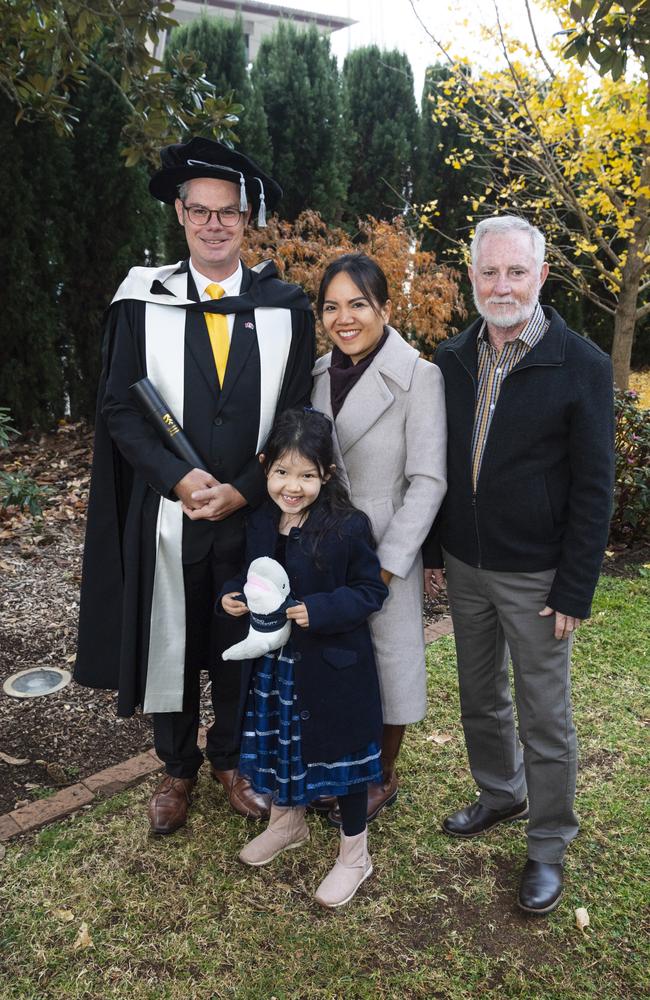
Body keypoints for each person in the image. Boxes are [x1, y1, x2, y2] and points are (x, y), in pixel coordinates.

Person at [75, 137, 315, 835]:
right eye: (201, 212)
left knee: (246, 633)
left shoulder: (285, 308)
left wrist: (244, 488)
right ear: (179, 215)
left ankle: (231, 761)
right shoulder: (141, 301)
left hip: (250, 513)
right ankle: (175, 769)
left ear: (247, 219)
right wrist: (177, 478)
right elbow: (120, 407)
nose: (215, 225)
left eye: (229, 213)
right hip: (169, 513)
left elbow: (296, 411)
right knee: (170, 640)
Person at [423, 215, 614, 914]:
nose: (501, 286)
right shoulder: (450, 358)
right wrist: (432, 551)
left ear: (541, 275)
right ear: (471, 275)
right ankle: (500, 795)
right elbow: (440, 464)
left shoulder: (582, 365)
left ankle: (548, 844)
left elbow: (595, 487)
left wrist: (575, 587)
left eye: (516, 272)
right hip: (466, 566)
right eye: (489, 272)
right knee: (479, 697)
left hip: (538, 578)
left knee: (544, 715)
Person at [221, 408, 388, 908]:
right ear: (264, 466)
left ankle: (355, 854)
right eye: (281, 472)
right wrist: (231, 595)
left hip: (332, 668)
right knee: (282, 747)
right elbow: (248, 576)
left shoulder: (348, 526)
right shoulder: (259, 522)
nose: (292, 486)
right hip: (275, 668)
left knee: (344, 762)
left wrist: (319, 608)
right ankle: (286, 822)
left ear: (326, 475)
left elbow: (368, 592)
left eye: (307, 475)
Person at [311, 253, 447, 825]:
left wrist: (387, 565)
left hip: (386, 543)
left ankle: (382, 772)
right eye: (332, 306)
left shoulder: (419, 375)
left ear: (385, 308)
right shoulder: (316, 373)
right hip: (321, 544)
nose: (345, 318)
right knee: (332, 658)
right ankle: (333, 760)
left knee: (389, 659)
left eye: (359, 304)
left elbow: (428, 480)